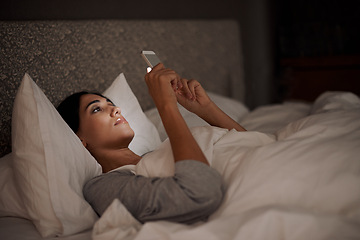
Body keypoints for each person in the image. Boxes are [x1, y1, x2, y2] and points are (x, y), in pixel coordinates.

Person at [57, 63, 246, 224]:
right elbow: (199, 193)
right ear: (79, 139)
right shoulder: (101, 187)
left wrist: (206, 109)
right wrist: (166, 105)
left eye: (110, 103)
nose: (116, 109)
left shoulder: (159, 154)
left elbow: (251, 144)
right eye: (97, 109)